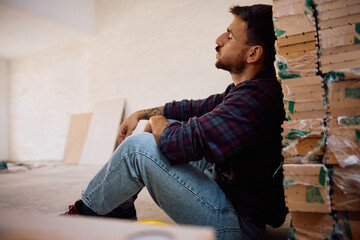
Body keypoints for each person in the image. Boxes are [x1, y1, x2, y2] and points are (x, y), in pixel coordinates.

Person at [64, 4, 288, 240]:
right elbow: (193, 107)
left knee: (138, 149)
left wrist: (156, 118)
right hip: (232, 194)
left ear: (253, 54)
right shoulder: (246, 90)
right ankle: (118, 211)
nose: (219, 40)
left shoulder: (256, 98)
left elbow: (175, 142)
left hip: (239, 226)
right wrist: (141, 113)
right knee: (166, 124)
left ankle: (79, 219)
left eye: (229, 36)